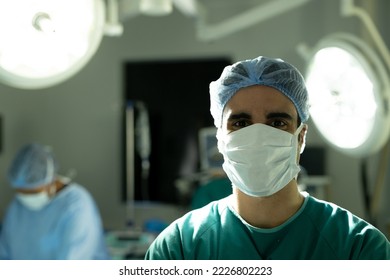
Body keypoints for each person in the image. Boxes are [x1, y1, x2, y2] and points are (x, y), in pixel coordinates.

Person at [145, 56, 390, 260]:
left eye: (277, 123)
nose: (259, 136)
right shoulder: (178, 249)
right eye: (240, 123)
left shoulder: (358, 248)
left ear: (300, 137)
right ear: (220, 137)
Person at [0, 143, 111, 259]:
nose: (26, 197)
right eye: (21, 192)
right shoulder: (17, 207)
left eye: (33, 192)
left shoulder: (77, 206)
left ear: (50, 181)